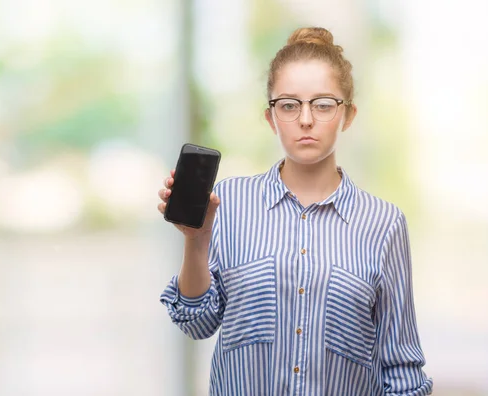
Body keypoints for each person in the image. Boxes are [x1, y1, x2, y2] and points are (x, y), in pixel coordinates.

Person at [157, 26, 433, 396]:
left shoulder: (384, 224)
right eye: (289, 104)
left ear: (347, 115)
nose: (305, 119)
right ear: (271, 118)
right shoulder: (228, 203)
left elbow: (401, 371)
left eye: (322, 104)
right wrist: (196, 240)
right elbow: (197, 322)